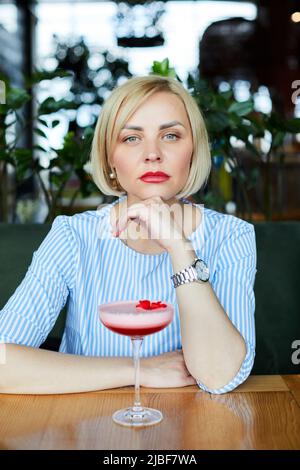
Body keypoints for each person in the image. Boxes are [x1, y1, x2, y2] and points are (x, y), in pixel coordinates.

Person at [0, 75, 257, 395]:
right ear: (110, 157)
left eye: (171, 135)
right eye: (132, 138)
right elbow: (2, 362)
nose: (153, 153)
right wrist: (139, 370)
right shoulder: (73, 236)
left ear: (194, 149)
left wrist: (179, 248)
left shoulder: (232, 236)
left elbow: (220, 376)